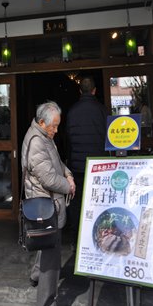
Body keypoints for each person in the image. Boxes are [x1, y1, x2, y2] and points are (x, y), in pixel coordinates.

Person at [22, 101, 75, 306]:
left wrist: (68, 172)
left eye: (58, 125)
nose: (56, 130)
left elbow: (57, 163)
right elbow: (49, 178)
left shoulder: (45, 136)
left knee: (45, 245)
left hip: (49, 204)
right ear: (42, 122)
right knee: (51, 265)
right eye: (53, 126)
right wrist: (68, 185)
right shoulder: (37, 142)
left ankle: (36, 274)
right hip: (46, 207)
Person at [66, 76, 107, 251]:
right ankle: (99, 240)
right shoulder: (102, 110)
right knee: (99, 203)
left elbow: (68, 138)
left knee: (78, 204)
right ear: (94, 91)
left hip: (78, 166)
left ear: (80, 91)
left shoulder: (72, 111)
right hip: (99, 167)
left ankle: (77, 241)